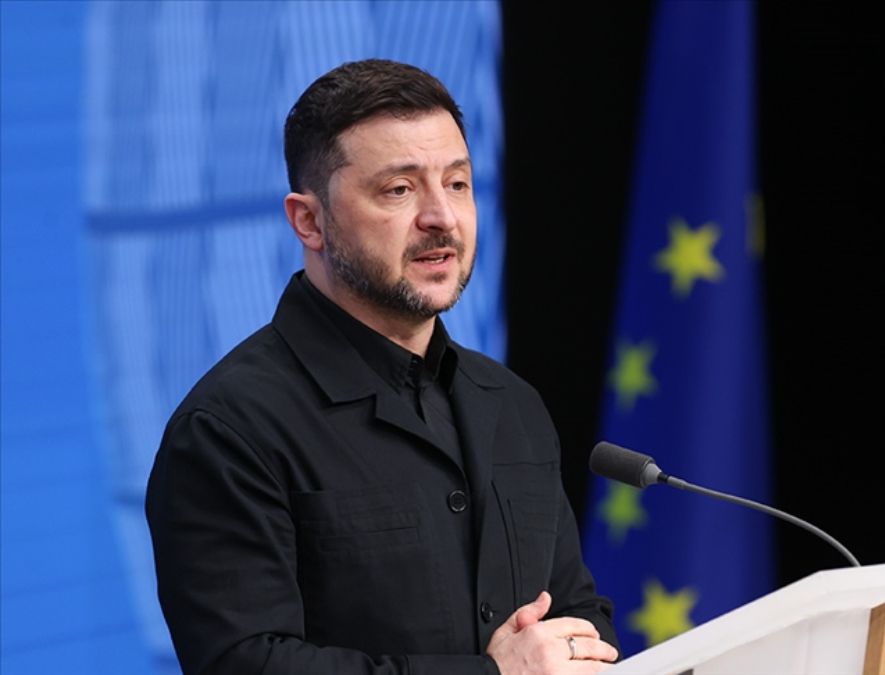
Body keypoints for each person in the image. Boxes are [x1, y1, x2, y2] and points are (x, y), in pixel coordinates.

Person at [145, 59, 619, 675]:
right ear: (309, 221)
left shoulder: (511, 402)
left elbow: (576, 611)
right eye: (399, 189)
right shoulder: (228, 430)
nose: (441, 217)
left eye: (457, 183)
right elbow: (248, 663)